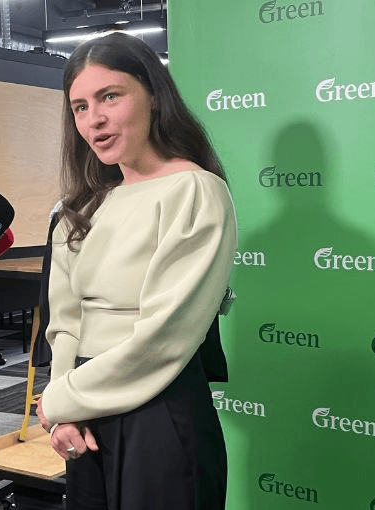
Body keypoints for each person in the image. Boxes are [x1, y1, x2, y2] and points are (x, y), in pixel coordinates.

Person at [35, 32, 237, 510]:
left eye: (110, 96)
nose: (94, 119)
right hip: (83, 411)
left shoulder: (194, 191)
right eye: (80, 107)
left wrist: (61, 400)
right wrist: (63, 409)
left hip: (158, 410)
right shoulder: (79, 208)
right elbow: (64, 322)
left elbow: (164, 336)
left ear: (154, 95)